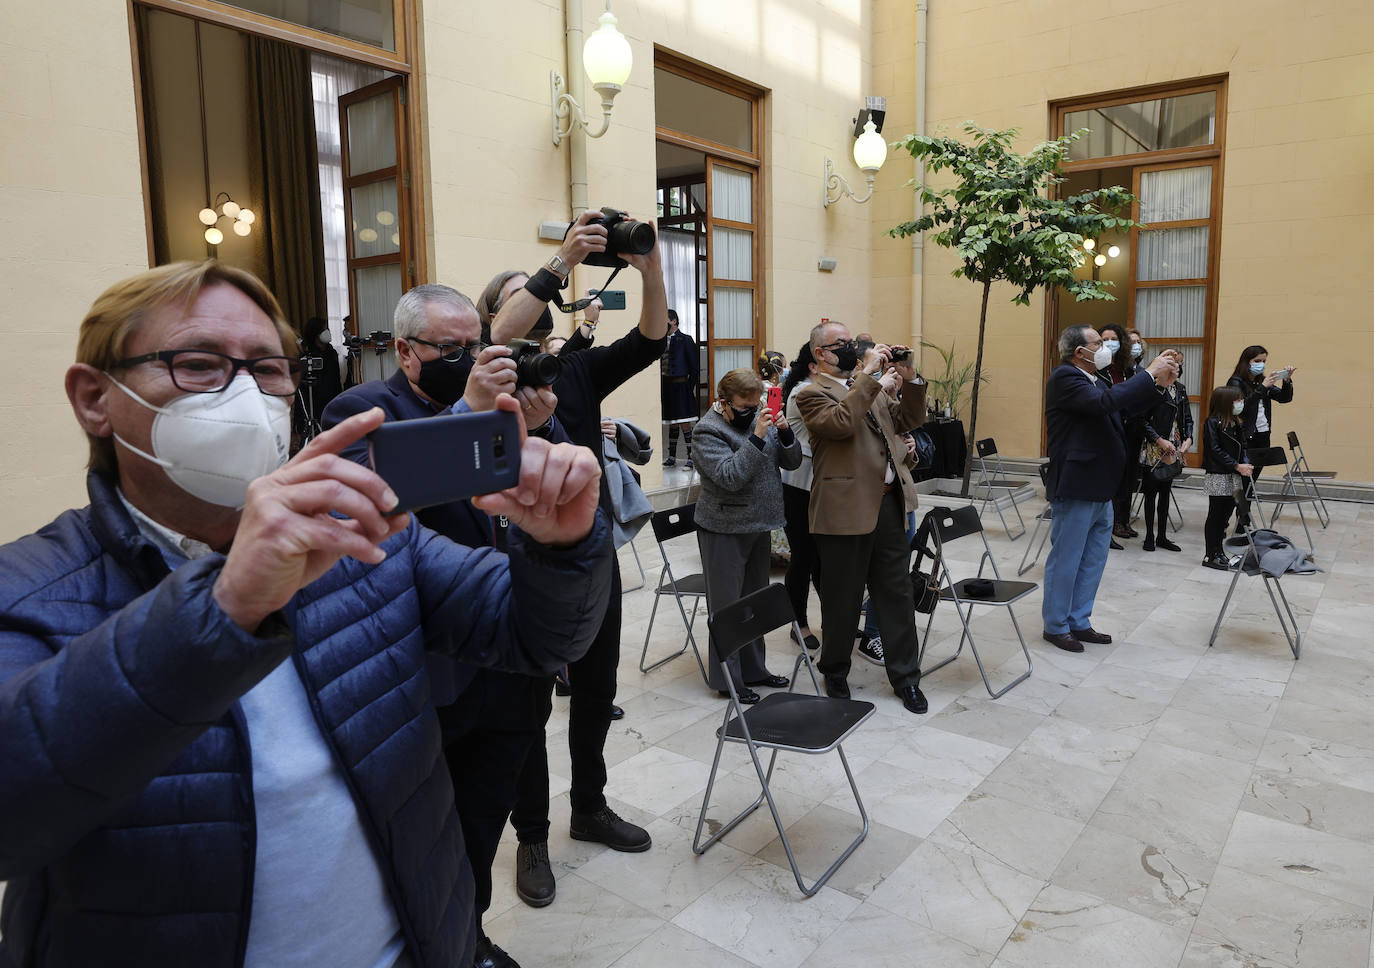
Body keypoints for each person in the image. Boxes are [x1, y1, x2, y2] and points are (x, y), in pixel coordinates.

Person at [0, 261, 612, 968]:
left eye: (267, 370)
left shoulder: (364, 532)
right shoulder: (27, 590)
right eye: (198, 365)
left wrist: (564, 548)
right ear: (93, 398)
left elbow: (534, 636)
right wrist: (228, 604)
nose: (242, 395)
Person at [320, 281, 561, 968]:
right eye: (448, 348)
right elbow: (375, 507)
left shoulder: (500, 406)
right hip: (430, 672)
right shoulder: (362, 409)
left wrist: (535, 428)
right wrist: (467, 410)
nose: (465, 357)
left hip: (509, 659)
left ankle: (469, 933)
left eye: (473, 346)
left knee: (484, 821)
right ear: (404, 349)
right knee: (427, 832)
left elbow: (535, 498)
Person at [489, 208, 668, 906]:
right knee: (529, 706)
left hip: (591, 561)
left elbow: (653, 338)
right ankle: (531, 835)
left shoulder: (575, 372)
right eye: (518, 305)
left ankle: (588, 807)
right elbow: (501, 332)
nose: (532, 332)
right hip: (515, 567)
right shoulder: (483, 378)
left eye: (541, 319)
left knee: (596, 691)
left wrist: (650, 267)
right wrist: (560, 260)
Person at [796, 322, 930, 715]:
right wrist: (870, 375)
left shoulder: (865, 388)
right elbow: (839, 424)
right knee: (842, 598)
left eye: (856, 343)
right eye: (844, 345)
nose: (855, 349)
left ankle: (906, 678)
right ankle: (835, 670)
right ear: (821, 354)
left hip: (888, 505)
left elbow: (907, 422)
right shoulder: (811, 393)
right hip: (842, 511)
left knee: (897, 596)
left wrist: (909, 379)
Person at [1042, 325, 1178, 652]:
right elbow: (1105, 403)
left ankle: (1079, 620)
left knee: (1093, 559)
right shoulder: (1065, 378)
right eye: (1099, 343)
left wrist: (1159, 386)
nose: (1106, 348)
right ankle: (1056, 625)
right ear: (1080, 352)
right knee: (1067, 558)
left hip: (1102, 484)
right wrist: (1148, 373)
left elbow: (1123, 409)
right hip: (1077, 484)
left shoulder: (1097, 379)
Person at [691, 368, 802, 702]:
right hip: (723, 529)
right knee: (728, 608)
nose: (751, 412)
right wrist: (756, 435)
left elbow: (793, 462)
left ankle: (755, 670)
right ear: (723, 402)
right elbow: (730, 476)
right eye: (744, 406)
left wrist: (783, 432)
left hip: (759, 524)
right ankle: (728, 679)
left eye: (755, 406)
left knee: (755, 604)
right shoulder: (706, 431)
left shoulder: (760, 418)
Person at [779, 342, 821, 652]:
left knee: (821, 558)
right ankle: (799, 622)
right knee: (803, 558)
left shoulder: (819, 387)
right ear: (814, 364)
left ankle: (833, 617)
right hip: (798, 486)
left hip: (818, 486)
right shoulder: (803, 392)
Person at [1226, 345, 1296, 514]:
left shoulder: (1261, 381)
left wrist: (1286, 380)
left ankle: (1243, 523)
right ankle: (1228, 521)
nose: (1262, 364)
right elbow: (1240, 408)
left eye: (1264, 361)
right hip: (1245, 438)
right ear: (1246, 362)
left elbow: (1284, 398)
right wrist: (1262, 388)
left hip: (1263, 436)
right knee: (1242, 484)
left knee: (1250, 484)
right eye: (1257, 361)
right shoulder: (1236, 382)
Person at [1134, 356, 1193, 552]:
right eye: (1173, 363)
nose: (1177, 367)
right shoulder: (1152, 387)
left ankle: (1162, 536)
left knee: (1166, 491)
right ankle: (1149, 536)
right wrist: (1158, 439)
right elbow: (1141, 419)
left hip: (1174, 444)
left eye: (1179, 364)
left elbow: (1187, 418)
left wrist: (1188, 439)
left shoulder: (1180, 388)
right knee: (1151, 493)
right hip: (1155, 444)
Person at [1201, 385, 1254, 570]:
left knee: (1227, 514)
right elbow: (1214, 450)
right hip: (1218, 474)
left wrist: (1245, 463)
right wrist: (1236, 465)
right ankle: (1210, 554)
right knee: (1215, 514)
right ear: (1226, 402)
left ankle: (1219, 551)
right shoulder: (1212, 422)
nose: (1241, 403)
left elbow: (1244, 446)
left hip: (1235, 475)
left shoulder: (1236, 422)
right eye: (1237, 400)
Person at [661, 309, 699, 467]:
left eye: (666, 321)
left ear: (674, 321)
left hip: (682, 386)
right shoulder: (661, 341)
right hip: (667, 386)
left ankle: (691, 457)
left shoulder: (686, 339)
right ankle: (672, 457)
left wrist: (688, 388)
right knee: (672, 422)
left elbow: (694, 368)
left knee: (684, 422)